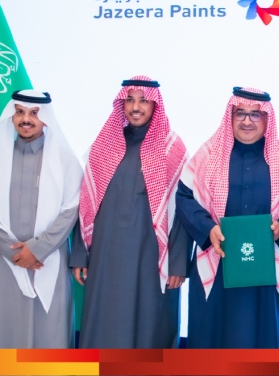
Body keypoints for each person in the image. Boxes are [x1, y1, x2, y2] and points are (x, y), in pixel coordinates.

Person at [177, 86, 279, 348]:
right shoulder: (208, 155)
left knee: (262, 335)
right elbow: (185, 197)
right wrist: (208, 229)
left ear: (266, 119)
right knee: (211, 335)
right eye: (240, 113)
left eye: (255, 115)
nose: (247, 121)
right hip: (217, 259)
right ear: (230, 116)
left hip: (265, 263)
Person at [70, 76, 190, 348]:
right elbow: (86, 205)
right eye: (130, 100)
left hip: (151, 259)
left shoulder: (172, 150)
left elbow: (182, 212)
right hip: (105, 257)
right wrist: (79, 255)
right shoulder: (103, 147)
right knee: (104, 326)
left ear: (155, 105)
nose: (136, 107)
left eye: (143, 101)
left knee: (150, 328)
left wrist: (178, 264)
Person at [0, 90, 82, 348]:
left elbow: (70, 210)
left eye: (34, 113)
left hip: (48, 260)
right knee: (0, 331)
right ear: (11, 117)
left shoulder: (66, 162)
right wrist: (15, 253)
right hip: (4, 261)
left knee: (49, 334)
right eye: (20, 112)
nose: (26, 119)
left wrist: (36, 250)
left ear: (46, 118)